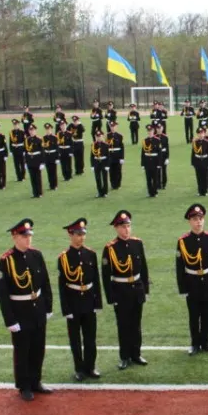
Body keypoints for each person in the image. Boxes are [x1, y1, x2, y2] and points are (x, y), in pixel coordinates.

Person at [0, 218, 54, 402]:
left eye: (29, 235)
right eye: (24, 236)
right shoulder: (6, 261)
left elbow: (45, 282)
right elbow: (3, 294)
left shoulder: (36, 255)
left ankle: (36, 381)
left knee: (38, 348)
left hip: (38, 308)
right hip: (20, 311)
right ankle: (24, 385)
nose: (28, 239)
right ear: (15, 237)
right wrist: (10, 320)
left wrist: (48, 306)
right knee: (22, 350)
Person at [102, 210, 150, 370]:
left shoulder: (137, 243)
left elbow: (143, 268)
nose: (126, 230)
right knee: (123, 326)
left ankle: (136, 354)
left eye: (128, 226)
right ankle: (124, 357)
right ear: (116, 228)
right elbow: (105, 275)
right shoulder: (110, 248)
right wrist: (110, 297)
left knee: (136, 325)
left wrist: (145, 290)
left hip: (136, 288)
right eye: (123, 227)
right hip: (120, 291)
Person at [58, 217, 103, 381]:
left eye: (83, 234)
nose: (81, 237)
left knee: (90, 337)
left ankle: (90, 366)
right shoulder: (63, 258)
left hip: (89, 300)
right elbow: (62, 285)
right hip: (73, 302)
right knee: (75, 340)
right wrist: (66, 309)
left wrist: (98, 302)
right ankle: (79, 368)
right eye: (77, 234)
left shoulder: (91, 254)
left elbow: (96, 279)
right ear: (70, 235)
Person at [177, 204, 208, 355]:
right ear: (190, 221)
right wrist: (182, 288)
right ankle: (195, 343)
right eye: (195, 219)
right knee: (194, 315)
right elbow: (180, 266)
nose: (199, 222)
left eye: (201, 218)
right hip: (192, 282)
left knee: (207, 315)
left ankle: (206, 342)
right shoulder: (183, 241)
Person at [141, 123, 164, 198]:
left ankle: (154, 192)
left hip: (154, 161)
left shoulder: (157, 140)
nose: (149, 132)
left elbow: (159, 153)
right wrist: (142, 164)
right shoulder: (145, 141)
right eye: (148, 131)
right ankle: (149, 192)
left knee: (155, 178)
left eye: (150, 131)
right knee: (148, 178)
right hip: (147, 161)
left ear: (153, 131)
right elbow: (143, 153)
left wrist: (159, 164)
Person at [191, 126, 208, 196]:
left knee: (205, 176)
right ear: (197, 134)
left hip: (205, 160)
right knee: (199, 177)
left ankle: (205, 191)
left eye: (202, 133)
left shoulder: (207, 142)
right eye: (199, 133)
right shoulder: (195, 142)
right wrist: (193, 162)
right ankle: (200, 191)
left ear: (204, 134)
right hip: (198, 161)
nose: (201, 135)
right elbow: (193, 153)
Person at [24, 125, 44, 198]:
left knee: (38, 177)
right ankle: (34, 193)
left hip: (37, 160)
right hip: (30, 160)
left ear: (35, 131)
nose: (31, 132)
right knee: (32, 177)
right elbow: (25, 151)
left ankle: (39, 192)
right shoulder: (27, 140)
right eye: (30, 130)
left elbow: (42, 152)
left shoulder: (39, 139)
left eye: (32, 130)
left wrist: (42, 163)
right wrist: (25, 162)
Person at [90, 130, 110, 197]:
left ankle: (105, 192)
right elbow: (92, 156)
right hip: (96, 162)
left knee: (104, 178)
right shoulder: (93, 145)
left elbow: (108, 156)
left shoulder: (106, 145)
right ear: (95, 137)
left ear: (102, 136)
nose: (98, 138)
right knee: (97, 178)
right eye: (97, 136)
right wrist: (92, 165)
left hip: (104, 162)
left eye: (100, 136)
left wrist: (107, 165)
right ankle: (99, 192)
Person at [106, 121, 124, 190]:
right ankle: (113, 184)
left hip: (117, 155)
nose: (112, 128)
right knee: (111, 171)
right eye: (111, 126)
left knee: (118, 170)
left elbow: (121, 147)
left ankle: (118, 184)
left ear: (116, 127)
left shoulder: (120, 136)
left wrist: (122, 158)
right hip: (110, 155)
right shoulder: (107, 136)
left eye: (114, 126)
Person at [41, 123, 59, 191]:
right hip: (46, 156)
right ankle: (51, 185)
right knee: (48, 171)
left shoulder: (55, 137)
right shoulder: (43, 138)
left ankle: (55, 185)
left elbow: (57, 148)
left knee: (53, 171)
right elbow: (43, 149)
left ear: (51, 129)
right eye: (46, 129)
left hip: (53, 155)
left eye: (48, 129)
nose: (47, 130)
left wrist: (57, 158)